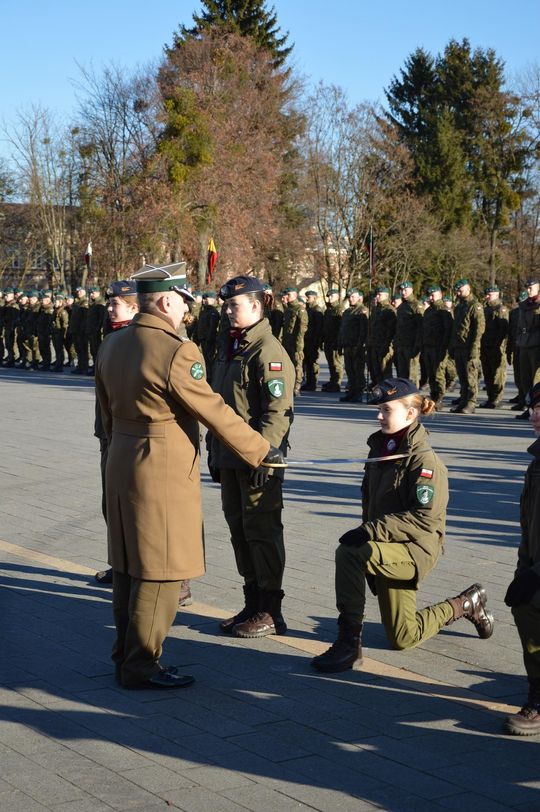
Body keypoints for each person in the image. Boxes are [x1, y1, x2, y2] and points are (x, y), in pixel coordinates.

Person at [95, 264, 280, 690]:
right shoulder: (176, 349)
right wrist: (259, 450)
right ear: (165, 301)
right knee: (160, 569)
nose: (185, 313)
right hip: (159, 467)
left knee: (126, 564)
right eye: (182, 303)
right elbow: (212, 409)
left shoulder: (112, 344)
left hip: (121, 459)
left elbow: (105, 415)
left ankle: (124, 653)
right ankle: (141, 664)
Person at [311, 377, 494, 673]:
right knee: (402, 637)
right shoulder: (383, 449)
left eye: (386, 410)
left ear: (411, 413)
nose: (379, 416)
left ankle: (348, 644)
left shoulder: (424, 462)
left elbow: (424, 518)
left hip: (414, 549)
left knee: (350, 554)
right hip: (388, 546)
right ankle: (465, 603)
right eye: (379, 409)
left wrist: (368, 532)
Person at [209, 275, 295, 638]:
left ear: (257, 307)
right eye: (226, 305)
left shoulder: (267, 351)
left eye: (235, 305)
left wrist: (265, 458)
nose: (228, 311)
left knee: (262, 534)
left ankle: (271, 611)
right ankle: (253, 601)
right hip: (230, 459)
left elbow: (278, 413)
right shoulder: (231, 346)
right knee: (240, 533)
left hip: (258, 462)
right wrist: (216, 454)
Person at [504, 383, 540, 735]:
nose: (535, 414)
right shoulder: (536, 463)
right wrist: (523, 571)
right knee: (525, 603)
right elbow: (529, 529)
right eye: (532, 407)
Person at [449, 279, 485, 414]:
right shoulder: (459, 307)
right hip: (459, 346)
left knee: (471, 376)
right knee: (462, 377)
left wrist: (474, 348)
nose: (459, 292)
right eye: (457, 290)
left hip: (469, 346)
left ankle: (471, 403)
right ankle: (463, 401)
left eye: (461, 289)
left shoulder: (475, 305)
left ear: (468, 288)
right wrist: (452, 346)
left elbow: (479, 329)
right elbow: (456, 329)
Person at [514, 277, 540, 420]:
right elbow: (519, 326)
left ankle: (538, 409)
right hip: (524, 344)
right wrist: (518, 341)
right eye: (527, 288)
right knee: (525, 378)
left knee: (537, 380)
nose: (528, 290)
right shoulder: (524, 305)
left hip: (536, 345)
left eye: (531, 288)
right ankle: (529, 407)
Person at [479, 285, 509, 409]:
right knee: (488, 373)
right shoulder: (485, 309)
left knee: (498, 374)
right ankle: (490, 398)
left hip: (496, 347)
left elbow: (503, 330)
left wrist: (498, 345)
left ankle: (497, 398)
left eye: (489, 294)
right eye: (486, 294)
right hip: (485, 346)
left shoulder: (500, 309)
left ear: (496, 294)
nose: (487, 297)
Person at [338, 288, 369, 402]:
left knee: (358, 370)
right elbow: (343, 329)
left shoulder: (362, 310)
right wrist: (340, 344)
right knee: (350, 370)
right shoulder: (347, 312)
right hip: (347, 345)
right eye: (350, 297)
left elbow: (363, 330)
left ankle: (358, 393)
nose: (351, 299)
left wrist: (360, 345)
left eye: (353, 297)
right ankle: (351, 392)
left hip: (356, 346)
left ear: (359, 298)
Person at [394, 281, 423, 384]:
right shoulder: (402, 307)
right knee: (402, 374)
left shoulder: (416, 305)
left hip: (411, 345)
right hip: (401, 344)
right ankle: (404, 396)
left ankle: (413, 396)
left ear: (411, 290)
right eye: (401, 290)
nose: (403, 292)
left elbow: (420, 327)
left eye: (406, 290)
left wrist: (417, 345)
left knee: (412, 374)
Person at [281, 286, 308, 396]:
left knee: (297, 365)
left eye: (289, 295)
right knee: (288, 365)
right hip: (287, 342)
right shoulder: (288, 310)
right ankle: (289, 385)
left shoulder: (299, 309)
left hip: (296, 343)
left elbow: (302, 329)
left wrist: (299, 344)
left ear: (295, 295)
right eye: (286, 295)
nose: (287, 297)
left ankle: (296, 387)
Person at [301, 290, 324, 391]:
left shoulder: (317, 310)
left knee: (312, 362)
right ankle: (309, 382)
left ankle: (313, 382)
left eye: (308, 297)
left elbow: (319, 327)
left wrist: (317, 341)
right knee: (307, 362)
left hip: (313, 340)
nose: (306, 299)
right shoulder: (308, 309)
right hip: (307, 339)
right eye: (306, 297)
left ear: (314, 298)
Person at [322, 289, 344, 391]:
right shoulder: (328, 310)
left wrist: (338, 341)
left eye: (332, 296)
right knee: (330, 362)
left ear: (337, 297)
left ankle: (337, 383)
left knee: (336, 363)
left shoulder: (339, 309)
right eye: (328, 296)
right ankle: (332, 380)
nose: (329, 298)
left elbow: (340, 327)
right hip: (328, 340)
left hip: (335, 340)